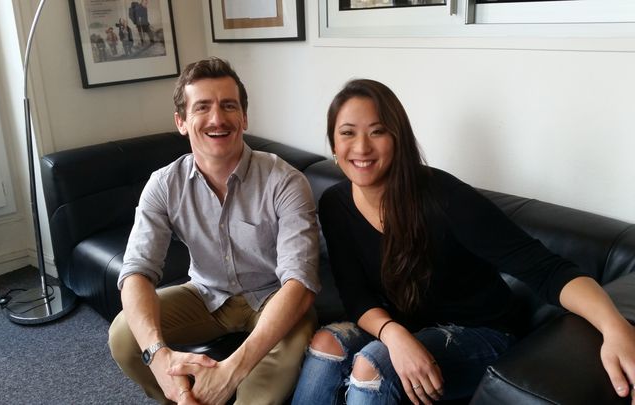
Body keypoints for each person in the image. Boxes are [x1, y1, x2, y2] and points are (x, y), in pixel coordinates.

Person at [292, 79, 635, 405]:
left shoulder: (444, 198)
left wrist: (614, 325)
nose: (362, 147)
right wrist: (394, 334)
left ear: (398, 139)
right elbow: (355, 294)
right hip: (405, 325)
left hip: (482, 333)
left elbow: (546, 269)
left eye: (378, 131)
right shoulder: (335, 204)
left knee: (373, 365)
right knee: (326, 344)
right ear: (334, 145)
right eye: (348, 133)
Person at [108, 57, 320, 405]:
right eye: (202, 107)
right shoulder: (164, 185)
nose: (217, 119)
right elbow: (137, 272)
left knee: (283, 358)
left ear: (244, 117)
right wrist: (159, 357)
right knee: (124, 335)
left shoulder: (285, 181)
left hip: (272, 296)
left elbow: (300, 283)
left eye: (228, 106)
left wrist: (231, 371)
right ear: (181, 121)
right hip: (204, 295)